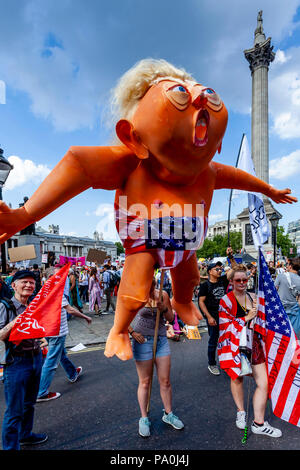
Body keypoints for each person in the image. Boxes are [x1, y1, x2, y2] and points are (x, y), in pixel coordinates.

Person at [218, 264, 282, 438]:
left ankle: (258, 423)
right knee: (237, 378)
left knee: (264, 383)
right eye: (238, 280)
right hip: (235, 346)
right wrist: (246, 318)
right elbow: (224, 326)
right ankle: (241, 411)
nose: (242, 283)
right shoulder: (226, 300)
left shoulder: (254, 297)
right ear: (231, 281)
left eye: (244, 279)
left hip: (255, 345)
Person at [129, 278, 184, 437]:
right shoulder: (136, 296)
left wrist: (164, 308)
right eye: (147, 283)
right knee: (145, 382)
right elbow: (122, 318)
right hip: (142, 341)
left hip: (161, 341)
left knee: (165, 381)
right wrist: (132, 332)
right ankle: (144, 418)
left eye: (152, 283)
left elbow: (171, 319)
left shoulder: (163, 294)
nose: (150, 286)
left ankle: (168, 414)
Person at [0, 270, 48, 450]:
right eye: (24, 282)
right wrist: (16, 322)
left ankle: (25, 435)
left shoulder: (33, 306)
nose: (29, 285)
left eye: (32, 283)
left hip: (35, 358)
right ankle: (10, 447)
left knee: (29, 403)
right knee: (14, 411)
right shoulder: (5, 306)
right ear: (13, 285)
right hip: (16, 362)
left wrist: (43, 341)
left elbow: (36, 330)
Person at [37, 266, 92, 402]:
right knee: (51, 362)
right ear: (51, 278)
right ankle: (41, 392)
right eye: (58, 276)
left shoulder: (44, 291)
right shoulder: (55, 292)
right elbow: (71, 310)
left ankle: (72, 373)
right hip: (57, 332)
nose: (62, 278)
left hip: (50, 330)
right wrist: (86, 317)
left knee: (62, 355)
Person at [198, 248, 235, 375]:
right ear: (209, 272)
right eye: (216, 269)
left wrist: (230, 257)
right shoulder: (204, 286)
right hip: (212, 315)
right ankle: (212, 364)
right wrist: (208, 317)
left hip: (225, 315)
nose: (219, 271)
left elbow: (234, 271)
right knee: (213, 339)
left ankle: (225, 362)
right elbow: (201, 302)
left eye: (220, 269)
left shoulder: (223, 281)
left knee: (226, 339)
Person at [275, 257, 300, 334]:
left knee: (280, 334)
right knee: (293, 335)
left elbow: (274, 291)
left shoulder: (281, 276)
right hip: (294, 310)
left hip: (280, 308)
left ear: (290, 266)